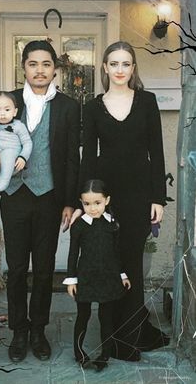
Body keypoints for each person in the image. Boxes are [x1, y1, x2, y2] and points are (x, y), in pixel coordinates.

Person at [0, 40, 80, 363]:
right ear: (24, 68)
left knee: (44, 269)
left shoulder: (69, 107)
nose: (40, 70)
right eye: (33, 64)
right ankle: (19, 330)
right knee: (17, 269)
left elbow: (73, 158)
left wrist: (70, 202)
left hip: (49, 197)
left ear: (55, 69)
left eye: (46, 64)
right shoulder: (9, 101)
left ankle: (38, 330)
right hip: (14, 197)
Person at [73, 41, 169, 361]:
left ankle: (130, 337)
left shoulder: (147, 101)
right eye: (113, 64)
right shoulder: (93, 105)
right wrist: (82, 201)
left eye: (125, 64)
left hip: (139, 195)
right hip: (105, 196)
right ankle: (109, 338)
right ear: (104, 68)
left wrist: (158, 198)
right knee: (108, 265)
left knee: (131, 267)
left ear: (133, 68)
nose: (119, 70)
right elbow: (88, 158)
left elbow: (157, 152)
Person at [63, 179, 131, 371]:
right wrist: (71, 279)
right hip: (86, 278)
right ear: (81, 202)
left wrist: (122, 275)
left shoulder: (112, 224)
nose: (92, 208)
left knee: (105, 317)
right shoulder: (79, 226)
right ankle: (79, 353)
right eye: (86, 204)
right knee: (82, 315)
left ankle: (105, 355)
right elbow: (72, 253)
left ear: (106, 200)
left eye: (97, 203)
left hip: (108, 277)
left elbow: (117, 253)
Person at [0, 91, 32, 194]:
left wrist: (23, 157)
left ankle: (4, 180)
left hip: (13, 157)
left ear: (14, 112)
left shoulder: (19, 126)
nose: (3, 113)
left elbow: (27, 143)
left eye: (7, 109)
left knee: (7, 153)